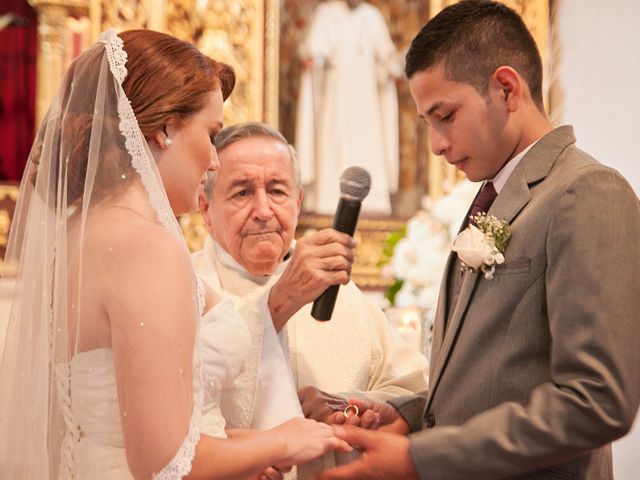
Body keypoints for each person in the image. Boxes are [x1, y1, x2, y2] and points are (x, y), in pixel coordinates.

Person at [0, 29, 351, 479]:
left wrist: (254, 448)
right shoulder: (145, 247)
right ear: (166, 129)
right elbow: (166, 463)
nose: (214, 161)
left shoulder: (75, 238)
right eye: (211, 133)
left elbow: (108, 429)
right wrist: (286, 439)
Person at [316, 2, 640, 479]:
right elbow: (499, 379)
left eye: (444, 115)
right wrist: (410, 415)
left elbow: (596, 400)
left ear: (506, 88)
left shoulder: (584, 192)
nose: (436, 144)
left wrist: (423, 458)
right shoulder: (494, 194)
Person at [192, 121, 428, 431]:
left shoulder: (339, 291)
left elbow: (412, 388)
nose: (263, 210)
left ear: (298, 202)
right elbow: (178, 402)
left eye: (277, 191)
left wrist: (351, 405)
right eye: (242, 192)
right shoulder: (186, 282)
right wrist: (281, 299)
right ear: (206, 207)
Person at [295, 0, 402, 215]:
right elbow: (314, 53)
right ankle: (329, 200)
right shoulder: (327, 13)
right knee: (334, 142)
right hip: (337, 97)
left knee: (368, 144)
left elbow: (388, 59)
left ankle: (371, 202)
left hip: (367, 100)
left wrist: (392, 69)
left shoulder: (373, 16)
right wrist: (313, 59)